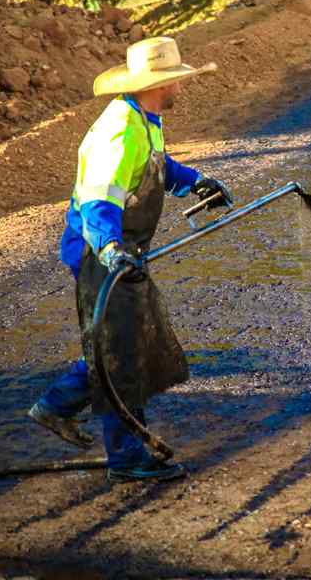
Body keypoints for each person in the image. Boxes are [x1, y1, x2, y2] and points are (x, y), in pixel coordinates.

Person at [28, 37, 232, 482]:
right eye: (177, 81)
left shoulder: (144, 119)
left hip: (119, 249)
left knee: (121, 344)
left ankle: (57, 405)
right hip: (100, 250)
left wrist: (197, 182)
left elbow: (157, 166)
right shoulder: (120, 129)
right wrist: (110, 249)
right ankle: (125, 459)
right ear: (160, 83)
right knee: (120, 353)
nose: (181, 88)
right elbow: (100, 200)